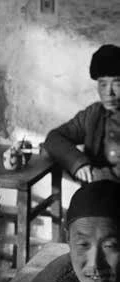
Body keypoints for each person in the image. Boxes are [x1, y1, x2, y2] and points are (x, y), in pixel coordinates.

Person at [45, 44, 120, 183]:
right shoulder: (93, 113)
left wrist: (93, 176)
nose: (109, 92)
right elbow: (53, 138)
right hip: (94, 192)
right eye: (103, 84)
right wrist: (78, 163)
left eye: (117, 84)